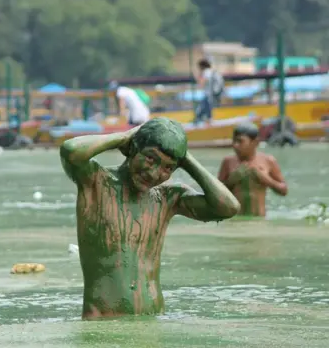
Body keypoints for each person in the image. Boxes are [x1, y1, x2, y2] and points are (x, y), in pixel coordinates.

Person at [59, 117, 240, 319]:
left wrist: (185, 158)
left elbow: (228, 207)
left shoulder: (167, 198)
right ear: (132, 148)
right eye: (150, 158)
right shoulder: (95, 182)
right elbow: (71, 150)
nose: (154, 174)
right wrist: (125, 136)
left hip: (153, 322)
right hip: (103, 323)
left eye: (167, 168)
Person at [217, 123, 288, 217]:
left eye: (240, 141)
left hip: (259, 221)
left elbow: (284, 190)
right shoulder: (228, 162)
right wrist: (231, 180)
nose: (235, 145)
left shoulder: (268, 161)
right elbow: (216, 195)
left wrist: (267, 180)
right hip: (235, 221)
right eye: (234, 141)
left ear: (255, 142)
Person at [195, 59, 224, 125]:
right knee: (205, 110)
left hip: (210, 94)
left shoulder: (206, 72)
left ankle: (204, 122)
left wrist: (198, 76)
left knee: (201, 110)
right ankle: (206, 120)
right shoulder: (211, 71)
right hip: (212, 94)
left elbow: (201, 84)